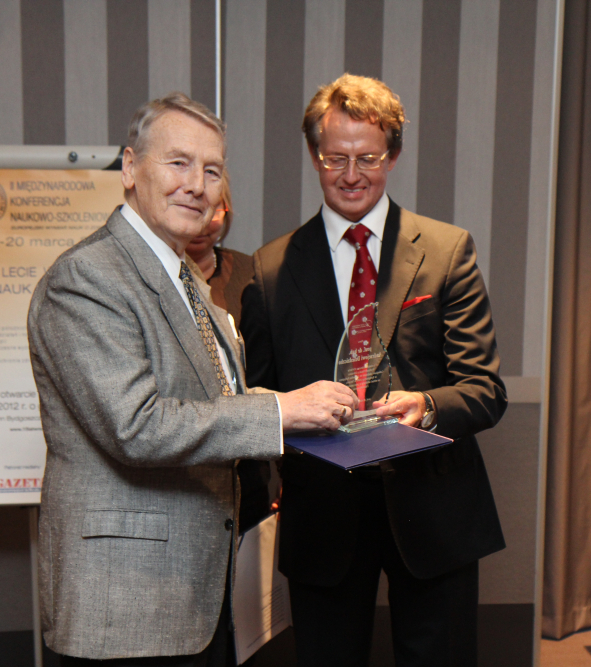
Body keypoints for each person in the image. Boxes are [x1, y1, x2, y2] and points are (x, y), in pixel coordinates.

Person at [27, 92, 358, 666]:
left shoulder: (183, 275)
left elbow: (215, 399)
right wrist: (281, 413)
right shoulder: (87, 278)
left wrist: (300, 406)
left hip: (195, 594)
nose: (197, 186)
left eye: (211, 170)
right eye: (178, 163)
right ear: (130, 168)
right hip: (125, 604)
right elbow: (137, 427)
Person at [240, 74, 508, 667]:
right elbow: (258, 400)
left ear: (394, 155)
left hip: (433, 507)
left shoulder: (447, 251)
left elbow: (486, 390)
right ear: (314, 155)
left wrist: (426, 406)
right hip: (321, 513)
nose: (351, 174)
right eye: (335, 158)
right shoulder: (270, 270)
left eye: (368, 158)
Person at [185, 173, 269, 533]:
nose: (204, 222)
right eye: (195, 208)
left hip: (248, 461)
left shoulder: (253, 274)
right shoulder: (156, 280)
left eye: (215, 210)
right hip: (184, 457)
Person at [185, 173, 254, 325]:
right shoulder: (147, 274)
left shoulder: (250, 275)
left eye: (213, 210)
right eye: (191, 209)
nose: (202, 224)